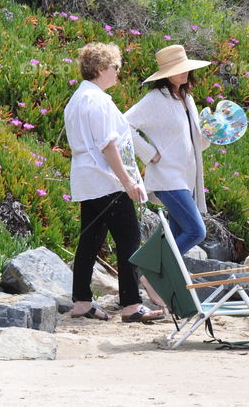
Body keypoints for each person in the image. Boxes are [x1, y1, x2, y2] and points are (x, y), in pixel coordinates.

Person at [62, 42, 163, 323]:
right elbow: (108, 145)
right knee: (129, 238)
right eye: (115, 67)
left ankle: (81, 300)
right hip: (107, 181)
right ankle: (131, 304)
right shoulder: (98, 101)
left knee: (90, 240)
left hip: (86, 179)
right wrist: (128, 181)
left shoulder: (77, 99)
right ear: (102, 69)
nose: (118, 72)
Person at [125, 45, 211, 255]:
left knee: (175, 234)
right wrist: (148, 153)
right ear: (165, 74)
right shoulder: (155, 99)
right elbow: (123, 124)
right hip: (167, 178)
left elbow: (193, 142)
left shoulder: (188, 99)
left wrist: (212, 134)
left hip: (186, 178)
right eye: (177, 69)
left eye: (185, 67)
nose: (184, 72)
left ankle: (152, 277)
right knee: (196, 231)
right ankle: (154, 271)